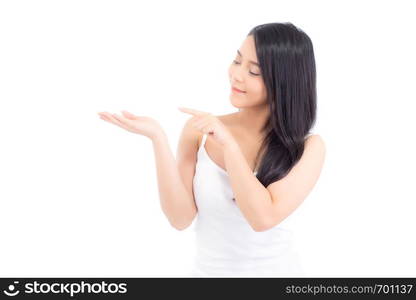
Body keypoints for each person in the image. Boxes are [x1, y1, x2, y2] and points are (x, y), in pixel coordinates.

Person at [97, 22, 326, 277]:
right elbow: (179, 218)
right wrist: (158, 139)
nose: (236, 75)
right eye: (237, 61)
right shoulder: (199, 131)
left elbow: (262, 218)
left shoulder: (308, 147)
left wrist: (230, 146)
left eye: (254, 71)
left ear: (283, 81)